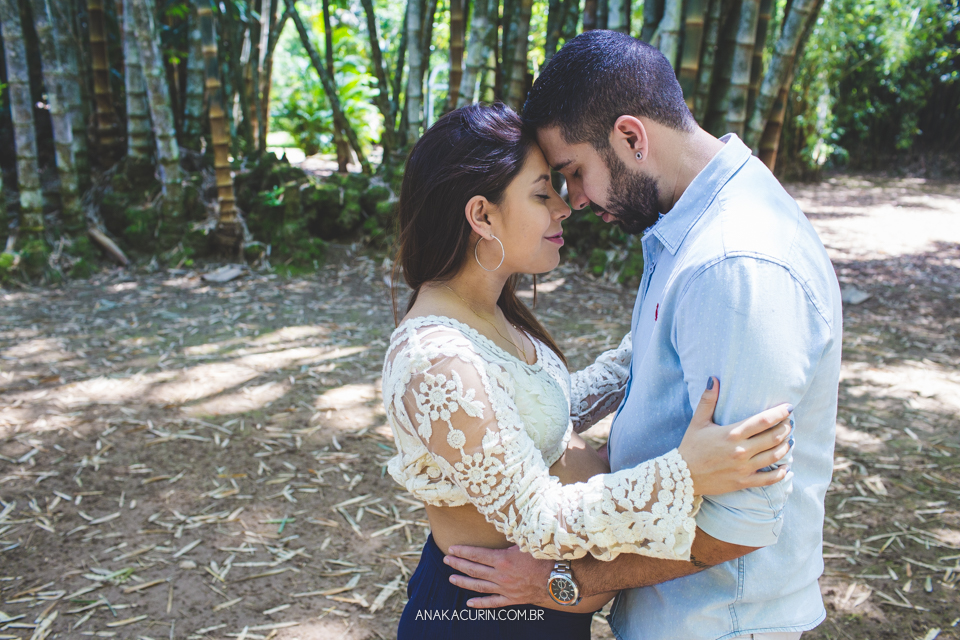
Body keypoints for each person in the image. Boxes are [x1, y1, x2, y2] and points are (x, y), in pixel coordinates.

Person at [443, 31, 842, 640]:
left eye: (573, 173)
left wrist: (565, 582)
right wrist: (519, 411)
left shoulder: (732, 264)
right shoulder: (694, 216)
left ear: (631, 137)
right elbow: (647, 363)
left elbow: (741, 521)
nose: (571, 200)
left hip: (715, 618)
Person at [383, 102, 795, 640]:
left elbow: (532, 415)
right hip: (483, 617)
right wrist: (685, 473)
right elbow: (537, 516)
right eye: (541, 192)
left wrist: (646, 347)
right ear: (482, 216)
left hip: (528, 612)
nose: (564, 207)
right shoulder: (433, 358)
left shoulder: (486, 313)